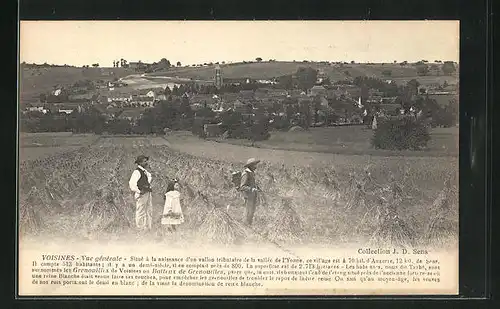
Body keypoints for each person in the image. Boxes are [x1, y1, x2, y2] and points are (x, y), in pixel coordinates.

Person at [128, 155, 153, 232]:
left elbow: (149, 177)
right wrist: (139, 191)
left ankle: (148, 228)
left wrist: (147, 185)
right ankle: (140, 228)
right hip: (142, 194)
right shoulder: (137, 172)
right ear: (140, 163)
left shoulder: (145, 172)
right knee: (141, 211)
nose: (146, 163)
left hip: (147, 193)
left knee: (149, 210)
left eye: (146, 161)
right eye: (144, 161)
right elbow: (132, 183)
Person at [238, 158, 261, 226]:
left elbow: (252, 184)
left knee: (251, 213)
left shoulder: (251, 173)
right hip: (248, 197)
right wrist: (251, 189)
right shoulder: (246, 174)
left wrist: (257, 188)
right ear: (251, 165)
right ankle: (245, 228)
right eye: (254, 165)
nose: (256, 166)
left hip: (252, 196)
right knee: (247, 213)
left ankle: (249, 227)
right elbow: (242, 187)